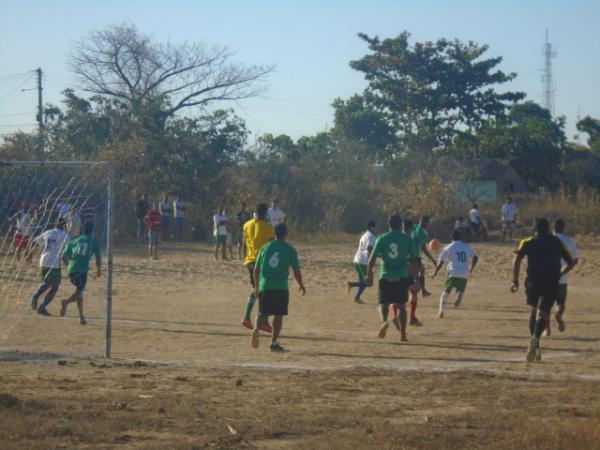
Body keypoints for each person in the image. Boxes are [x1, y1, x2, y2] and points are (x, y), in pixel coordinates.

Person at [511, 218, 575, 362]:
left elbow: (516, 260)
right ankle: (535, 338)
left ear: (535, 228)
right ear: (547, 229)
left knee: (533, 310)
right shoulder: (557, 242)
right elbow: (571, 262)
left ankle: (536, 345)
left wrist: (515, 280)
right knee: (544, 312)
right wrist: (561, 272)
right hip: (551, 281)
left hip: (533, 281)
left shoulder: (528, 241)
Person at [251, 223, 305, 352]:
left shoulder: (264, 248)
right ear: (286, 234)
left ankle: (256, 330)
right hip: (281, 287)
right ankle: (274, 343)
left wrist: (257, 287)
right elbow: (296, 270)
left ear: (273, 234)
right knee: (278, 315)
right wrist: (301, 284)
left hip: (265, 286)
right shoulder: (290, 249)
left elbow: (256, 269)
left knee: (262, 312)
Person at [366, 215, 420, 342]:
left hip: (386, 275)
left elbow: (372, 258)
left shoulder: (382, 238)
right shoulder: (407, 239)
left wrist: (369, 274)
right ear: (401, 225)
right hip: (402, 276)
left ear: (388, 225)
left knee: (383, 303)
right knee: (401, 306)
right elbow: (413, 261)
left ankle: (384, 322)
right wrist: (417, 279)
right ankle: (403, 334)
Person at [60, 222, 102, 325]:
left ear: (83, 230)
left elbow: (63, 256)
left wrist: (68, 266)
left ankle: (82, 317)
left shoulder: (76, 240)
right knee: (79, 292)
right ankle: (66, 302)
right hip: (81, 270)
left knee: (79, 292)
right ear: (93, 230)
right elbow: (98, 257)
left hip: (73, 269)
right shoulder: (94, 240)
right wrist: (99, 269)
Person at [241, 203, 274, 329]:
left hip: (250, 261)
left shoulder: (246, 225)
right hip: (262, 262)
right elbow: (271, 247)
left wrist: (245, 258)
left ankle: (248, 317)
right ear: (265, 213)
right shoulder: (268, 227)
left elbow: (244, 243)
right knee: (266, 291)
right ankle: (263, 322)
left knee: (257, 290)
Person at [433, 230, 479, 318]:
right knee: (460, 288)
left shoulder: (448, 247)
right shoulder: (466, 246)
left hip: (453, 272)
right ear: (461, 237)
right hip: (464, 272)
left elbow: (441, 262)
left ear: (452, 238)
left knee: (447, 290)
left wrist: (435, 272)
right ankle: (459, 294)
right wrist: (471, 268)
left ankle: (441, 311)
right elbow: (476, 257)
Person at [30, 218, 71, 316]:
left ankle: (42, 306)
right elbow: (63, 254)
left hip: (43, 260)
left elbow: (33, 242)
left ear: (56, 224)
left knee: (52, 284)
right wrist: (69, 265)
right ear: (64, 226)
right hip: (53, 263)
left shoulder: (48, 232)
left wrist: (29, 254)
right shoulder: (65, 236)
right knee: (52, 285)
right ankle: (37, 299)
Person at [545, 219, 579, 335]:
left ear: (553, 228)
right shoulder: (569, 241)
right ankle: (558, 314)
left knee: (546, 306)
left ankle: (547, 328)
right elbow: (575, 260)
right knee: (561, 303)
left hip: (548, 277)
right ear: (563, 228)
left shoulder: (547, 240)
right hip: (562, 278)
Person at [347, 220, 377, 304]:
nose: (377, 228)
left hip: (357, 260)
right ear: (372, 227)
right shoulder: (372, 237)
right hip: (364, 262)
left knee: (363, 282)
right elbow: (370, 249)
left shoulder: (364, 235)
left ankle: (357, 298)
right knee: (369, 283)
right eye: (376, 226)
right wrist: (380, 256)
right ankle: (351, 285)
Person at [412, 216, 437, 300]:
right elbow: (423, 248)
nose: (429, 225)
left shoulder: (415, 226)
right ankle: (419, 291)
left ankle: (423, 291)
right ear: (426, 222)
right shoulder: (423, 232)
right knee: (415, 274)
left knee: (421, 270)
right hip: (416, 255)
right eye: (428, 223)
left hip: (409, 254)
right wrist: (432, 259)